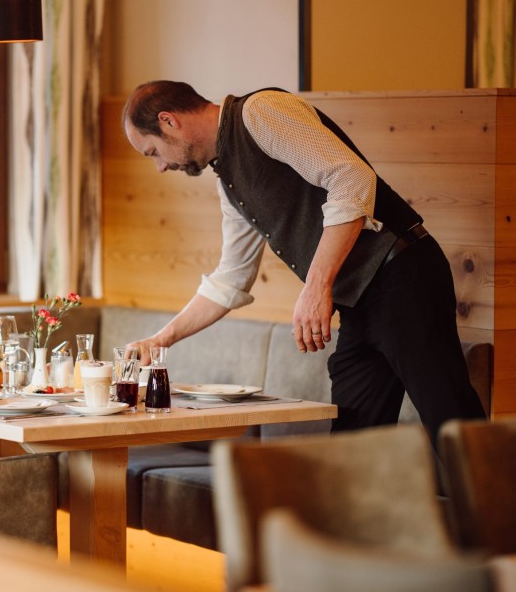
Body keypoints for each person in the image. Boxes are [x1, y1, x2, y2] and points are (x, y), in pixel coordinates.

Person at [122, 80, 485, 445]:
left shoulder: (260, 113)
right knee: (353, 446)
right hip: (359, 300)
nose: (160, 167)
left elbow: (352, 179)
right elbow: (231, 277)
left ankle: (507, 503)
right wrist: (161, 338)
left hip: (403, 275)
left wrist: (316, 286)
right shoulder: (229, 183)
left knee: (451, 424)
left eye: (152, 152)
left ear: (168, 121)